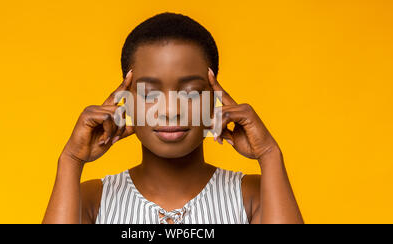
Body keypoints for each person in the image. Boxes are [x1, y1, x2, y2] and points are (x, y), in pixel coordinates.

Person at [42, 12, 303, 224]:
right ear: (127, 101)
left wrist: (269, 154)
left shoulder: (252, 196)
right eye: (150, 94)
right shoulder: (91, 200)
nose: (170, 110)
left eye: (190, 93)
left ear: (214, 98)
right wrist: (71, 160)